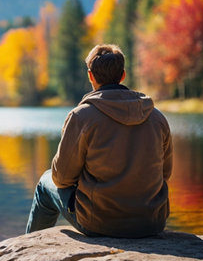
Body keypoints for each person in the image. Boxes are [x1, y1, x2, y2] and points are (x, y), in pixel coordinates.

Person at [26, 44, 173, 238]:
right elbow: (165, 173)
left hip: (100, 224)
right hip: (151, 222)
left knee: (45, 182)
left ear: (90, 76)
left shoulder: (82, 117)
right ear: (122, 75)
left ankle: (30, 247)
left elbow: (61, 178)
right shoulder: (156, 117)